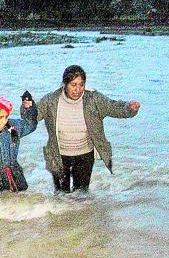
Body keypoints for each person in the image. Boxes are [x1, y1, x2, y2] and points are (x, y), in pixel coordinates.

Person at [21, 64, 140, 193]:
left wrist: (129, 108)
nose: (78, 89)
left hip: (84, 155)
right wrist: (27, 108)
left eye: (81, 84)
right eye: (73, 85)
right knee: (61, 196)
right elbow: (32, 117)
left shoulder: (93, 99)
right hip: (58, 156)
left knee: (82, 196)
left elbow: (113, 107)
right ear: (64, 84)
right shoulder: (51, 100)